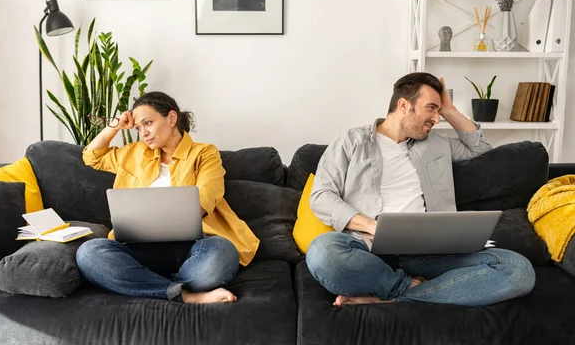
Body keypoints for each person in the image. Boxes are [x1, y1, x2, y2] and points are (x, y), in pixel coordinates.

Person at [305, 72, 535, 307]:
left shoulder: (437, 144)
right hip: (368, 253)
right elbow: (321, 197)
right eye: (431, 108)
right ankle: (402, 286)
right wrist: (374, 227)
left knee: (517, 269)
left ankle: (394, 297)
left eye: (438, 111)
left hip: (429, 254)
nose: (436, 119)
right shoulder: (351, 141)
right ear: (404, 105)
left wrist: (449, 110)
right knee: (322, 252)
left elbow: (481, 149)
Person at [76, 91, 259, 304]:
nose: (143, 133)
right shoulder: (133, 153)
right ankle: (187, 295)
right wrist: (115, 125)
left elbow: (204, 201)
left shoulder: (204, 153)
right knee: (89, 253)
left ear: (171, 118)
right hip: (141, 248)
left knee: (222, 252)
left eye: (148, 123)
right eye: (138, 128)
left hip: (194, 246)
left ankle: (146, 284)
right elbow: (91, 156)